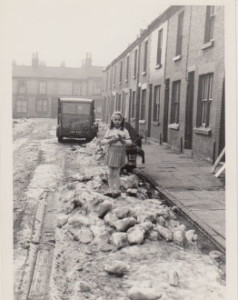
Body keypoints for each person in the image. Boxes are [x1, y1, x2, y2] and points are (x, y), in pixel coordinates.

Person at [101, 111, 132, 198]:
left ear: (122, 121)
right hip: (111, 151)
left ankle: (117, 190)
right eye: (115, 119)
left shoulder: (125, 131)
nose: (117, 121)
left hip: (120, 151)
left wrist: (123, 140)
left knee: (116, 173)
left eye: (119, 119)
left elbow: (130, 142)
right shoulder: (110, 130)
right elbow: (103, 141)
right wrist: (110, 141)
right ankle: (111, 190)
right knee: (110, 172)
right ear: (112, 120)